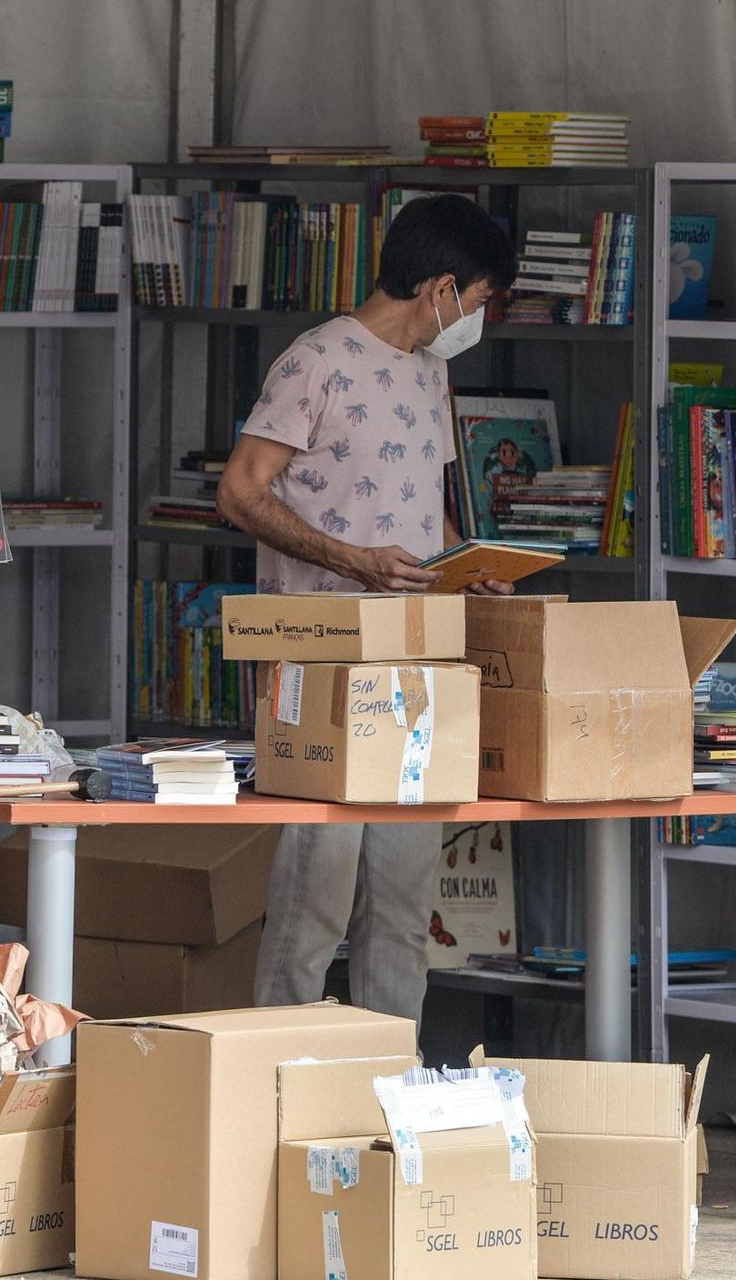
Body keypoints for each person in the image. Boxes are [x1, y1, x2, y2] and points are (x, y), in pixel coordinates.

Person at [216, 193, 516, 1025]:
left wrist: (468, 564)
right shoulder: (315, 361)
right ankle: (277, 1070)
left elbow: (423, 504)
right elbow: (240, 491)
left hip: (415, 664)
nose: (480, 318)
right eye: (482, 300)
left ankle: (389, 1085)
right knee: (315, 892)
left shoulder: (432, 369)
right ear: (443, 288)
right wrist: (351, 560)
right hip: (321, 658)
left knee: (402, 901)